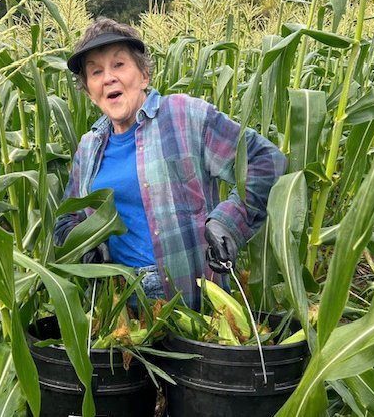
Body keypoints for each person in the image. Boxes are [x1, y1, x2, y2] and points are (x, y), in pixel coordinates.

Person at [54, 17, 287, 309]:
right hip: (120, 306)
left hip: (193, 297)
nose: (108, 78)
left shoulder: (184, 115)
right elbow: (66, 221)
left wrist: (229, 221)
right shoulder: (88, 149)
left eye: (119, 65)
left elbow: (266, 161)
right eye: (96, 72)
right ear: (89, 91)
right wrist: (86, 244)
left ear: (144, 74)